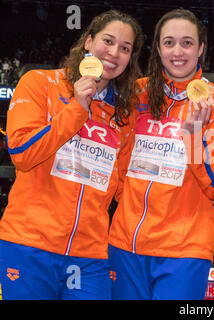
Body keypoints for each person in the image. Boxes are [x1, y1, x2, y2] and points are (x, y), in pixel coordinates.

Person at [0, 10, 144, 300]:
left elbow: (126, 188)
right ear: (88, 42)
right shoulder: (39, 83)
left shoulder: (124, 115)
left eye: (125, 48)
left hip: (89, 254)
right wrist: (77, 107)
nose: (114, 53)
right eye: (108, 41)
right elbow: (22, 153)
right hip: (29, 245)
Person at [107, 8, 214, 300]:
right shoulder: (136, 93)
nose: (177, 51)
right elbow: (117, 159)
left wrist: (194, 140)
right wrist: (126, 200)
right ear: (157, 48)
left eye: (187, 43)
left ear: (201, 48)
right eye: (169, 43)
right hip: (125, 242)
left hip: (184, 249)